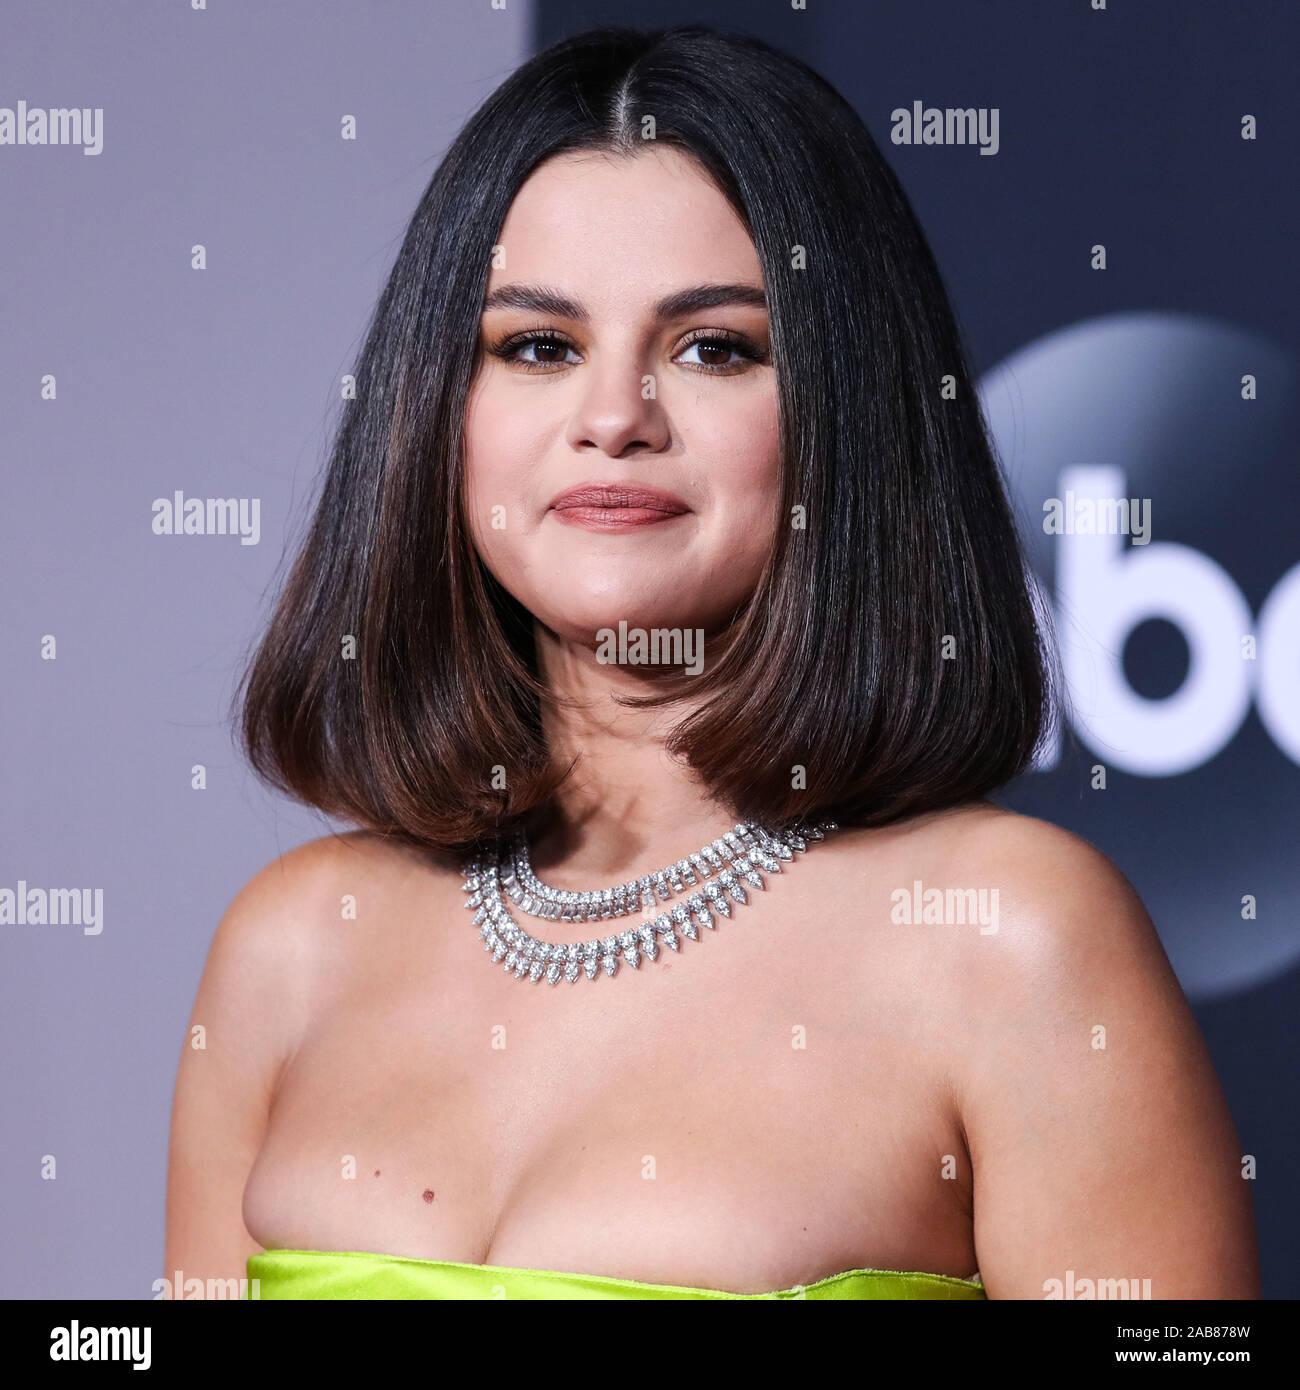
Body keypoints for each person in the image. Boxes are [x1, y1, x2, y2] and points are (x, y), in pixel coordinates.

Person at [164, 24, 1260, 1300]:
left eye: (714, 347)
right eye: (537, 345)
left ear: (847, 415)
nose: (614, 416)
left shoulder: (1013, 938)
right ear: (434, 411)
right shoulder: (290, 946)